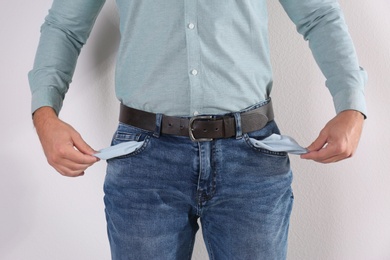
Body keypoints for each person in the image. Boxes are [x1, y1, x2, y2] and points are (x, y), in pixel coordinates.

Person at [29, 0, 366, 259]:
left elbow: (318, 15)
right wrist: (45, 114)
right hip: (144, 162)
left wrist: (351, 105)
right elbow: (64, 26)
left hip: (251, 157)